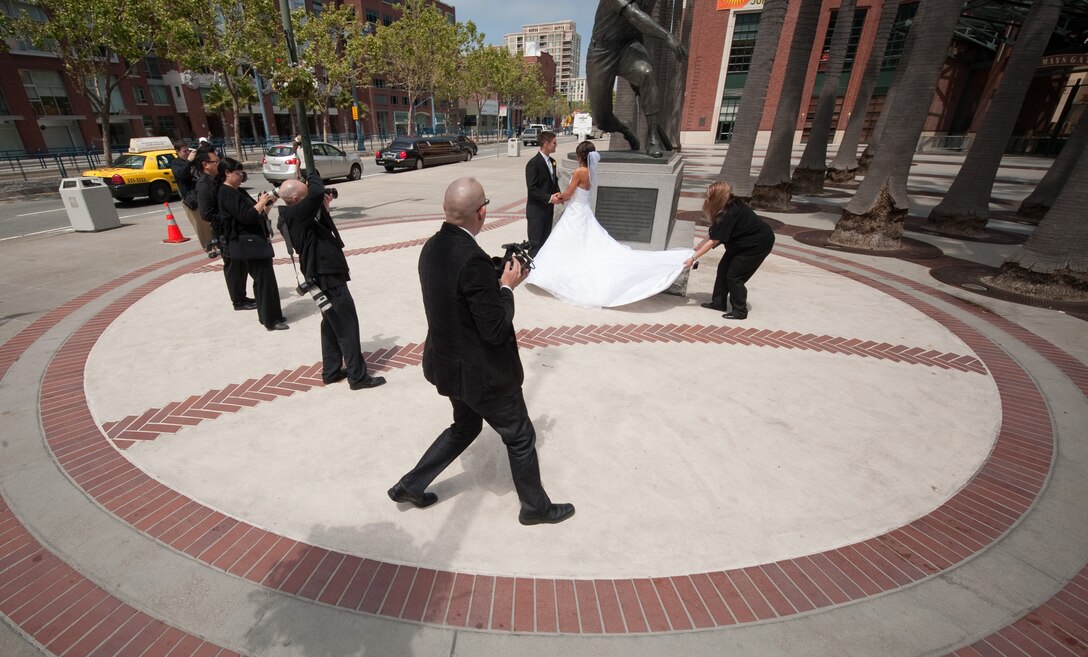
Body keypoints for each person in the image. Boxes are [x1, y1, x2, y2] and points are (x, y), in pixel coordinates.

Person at [388, 177, 574, 526]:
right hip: (482, 374)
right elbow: (495, 329)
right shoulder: (471, 260)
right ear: (483, 211)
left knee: (465, 426)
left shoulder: (432, 246)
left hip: (447, 365)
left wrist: (492, 277)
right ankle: (536, 508)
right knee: (520, 436)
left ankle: (410, 485)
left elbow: (458, 292)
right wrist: (506, 288)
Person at [525, 141, 692, 308]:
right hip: (582, 210)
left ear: (579, 155)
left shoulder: (579, 172)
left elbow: (568, 194)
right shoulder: (590, 172)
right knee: (579, 245)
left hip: (575, 212)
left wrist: (556, 198)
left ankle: (559, 276)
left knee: (567, 243)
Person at [277, 170, 386, 389]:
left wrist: (323, 208)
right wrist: (314, 174)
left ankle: (331, 370)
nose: (312, 198)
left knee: (330, 324)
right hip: (327, 277)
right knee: (347, 326)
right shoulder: (295, 214)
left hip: (324, 273)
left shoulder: (298, 215)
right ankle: (358, 377)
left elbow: (322, 230)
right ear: (297, 200)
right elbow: (316, 191)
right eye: (307, 197)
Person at [587, 0, 687, 158]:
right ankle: (625, 129)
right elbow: (634, 15)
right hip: (601, 50)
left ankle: (653, 139)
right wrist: (666, 36)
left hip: (628, 47)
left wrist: (638, 71)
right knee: (602, 121)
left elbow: (636, 26)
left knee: (646, 73)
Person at [686, 181, 776, 320]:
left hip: (756, 245)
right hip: (740, 242)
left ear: (718, 197)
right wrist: (699, 246)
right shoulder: (727, 206)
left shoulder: (730, 212)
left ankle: (740, 311)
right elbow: (715, 232)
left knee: (734, 276)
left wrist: (693, 258)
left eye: (709, 195)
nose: (707, 198)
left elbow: (713, 241)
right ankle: (718, 303)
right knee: (723, 269)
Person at [217, 158, 288, 331]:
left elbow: (255, 214)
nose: (241, 176)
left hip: (254, 241)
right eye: (237, 173)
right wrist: (262, 201)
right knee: (264, 280)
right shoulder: (226, 192)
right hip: (247, 243)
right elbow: (246, 217)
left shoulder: (237, 191)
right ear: (226, 173)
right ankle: (271, 320)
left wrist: (266, 204)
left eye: (242, 173)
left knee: (265, 280)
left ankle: (270, 315)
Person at [195, 149, 256, 311]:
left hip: (234, 230)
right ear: (205, 165)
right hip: (224, 232)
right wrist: (230, 216)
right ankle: (238, 300)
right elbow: (206, 213)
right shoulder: (204, 185)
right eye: (216, 161)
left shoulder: (216, 180)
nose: (219, 163)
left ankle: (241, 296)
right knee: (233, 267)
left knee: (241, 265)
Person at [171, 140, 213, 255]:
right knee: (200, 225)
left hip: (203, 195)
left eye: (188, 150)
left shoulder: (195, 161)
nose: (187, 153)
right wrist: (189, 161)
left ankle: (215, 242)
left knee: (209, 221)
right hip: (191, 199)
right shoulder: (176, 164)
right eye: (184, 151)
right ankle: (208, 248)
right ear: (178, 152)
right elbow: (182, 174)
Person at [524, 130, 562, 257]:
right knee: (535, 246)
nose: (556, 145)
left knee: (545, 245)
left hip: (548, 211)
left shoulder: (553, 162)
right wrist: (549, 198)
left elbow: (553, 182)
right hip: (536, 212)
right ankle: (531, 273)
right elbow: (532, 189)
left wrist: (558, 194)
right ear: (546, 143)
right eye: (554, 142)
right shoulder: (533, 164)